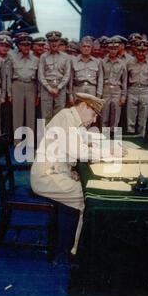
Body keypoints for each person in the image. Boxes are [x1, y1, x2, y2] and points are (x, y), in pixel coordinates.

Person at [30, 93, 105, 256]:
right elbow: (78, 151)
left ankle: (78, 246)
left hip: (56, 172)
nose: (93, 121)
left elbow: (82, 141)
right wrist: (108, 153)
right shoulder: (66, 118)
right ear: (84, 106)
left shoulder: (72, 119)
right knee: (88, 199)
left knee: (86, 192)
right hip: (46, 177)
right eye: (93, 115)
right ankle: (78, 251)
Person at [8, 34, 39, 142]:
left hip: (31, 86)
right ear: (18, 46)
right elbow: (9, 76)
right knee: (17, 115)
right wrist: (9, 93)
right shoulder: (13, 58)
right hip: (17, 85)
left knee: (31, 116)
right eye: (23, 45)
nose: (26, 47)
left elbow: (38, 79)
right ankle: (17, 141)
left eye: (28, 45)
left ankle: (29, 141)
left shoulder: (36, 60)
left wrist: (38, 95)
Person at [38, 31, 71, 121]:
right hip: (46, 88)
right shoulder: (43, 57)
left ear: (59, 42)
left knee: (59, 116)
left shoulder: (66, 57)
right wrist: (49, 88)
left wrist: (58, 88)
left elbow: (67, 74)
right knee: (45, 116)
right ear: (48, 43)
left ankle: (58, 135)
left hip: (61, 88)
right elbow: (41, 75)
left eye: (56, 41)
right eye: (51, 41)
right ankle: (46, 135)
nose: (54, 43)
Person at [126, 39, 148, 136]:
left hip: (145, 90)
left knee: (143, 118)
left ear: (147, 51)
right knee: (131, 118)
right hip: (132, 90)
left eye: (143, 51)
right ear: (135, 50)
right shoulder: (129, 63)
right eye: (139, 50)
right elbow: (125, 79)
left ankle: (140, 139)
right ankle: (131, 139)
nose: (141, 53)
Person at [100, 36, 127, 129]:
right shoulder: (103, 62)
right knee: (104, 116)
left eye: (115, 49)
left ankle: (115, 141)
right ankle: (105, 140)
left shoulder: (122, 63)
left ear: (118, 49)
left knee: (116, 118)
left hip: (117, 90)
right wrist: (99, 94)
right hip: (106, 90)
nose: (113, 51)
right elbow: (100, 79)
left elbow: (124, 81)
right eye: (111, 48)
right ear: (108, 48)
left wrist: (123, 96)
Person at [69, 36, 103, 105]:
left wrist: (98, 95)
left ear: (91, 48)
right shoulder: (74, 61)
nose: (86, 48)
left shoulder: (97, 62)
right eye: (84, 46)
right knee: (78, 113)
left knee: (90, 113)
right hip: (78, 89)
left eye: (88, 46)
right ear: (80, 48)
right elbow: (71, 80)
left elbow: (100, 79)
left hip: (92, 90)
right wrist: (70, 95)